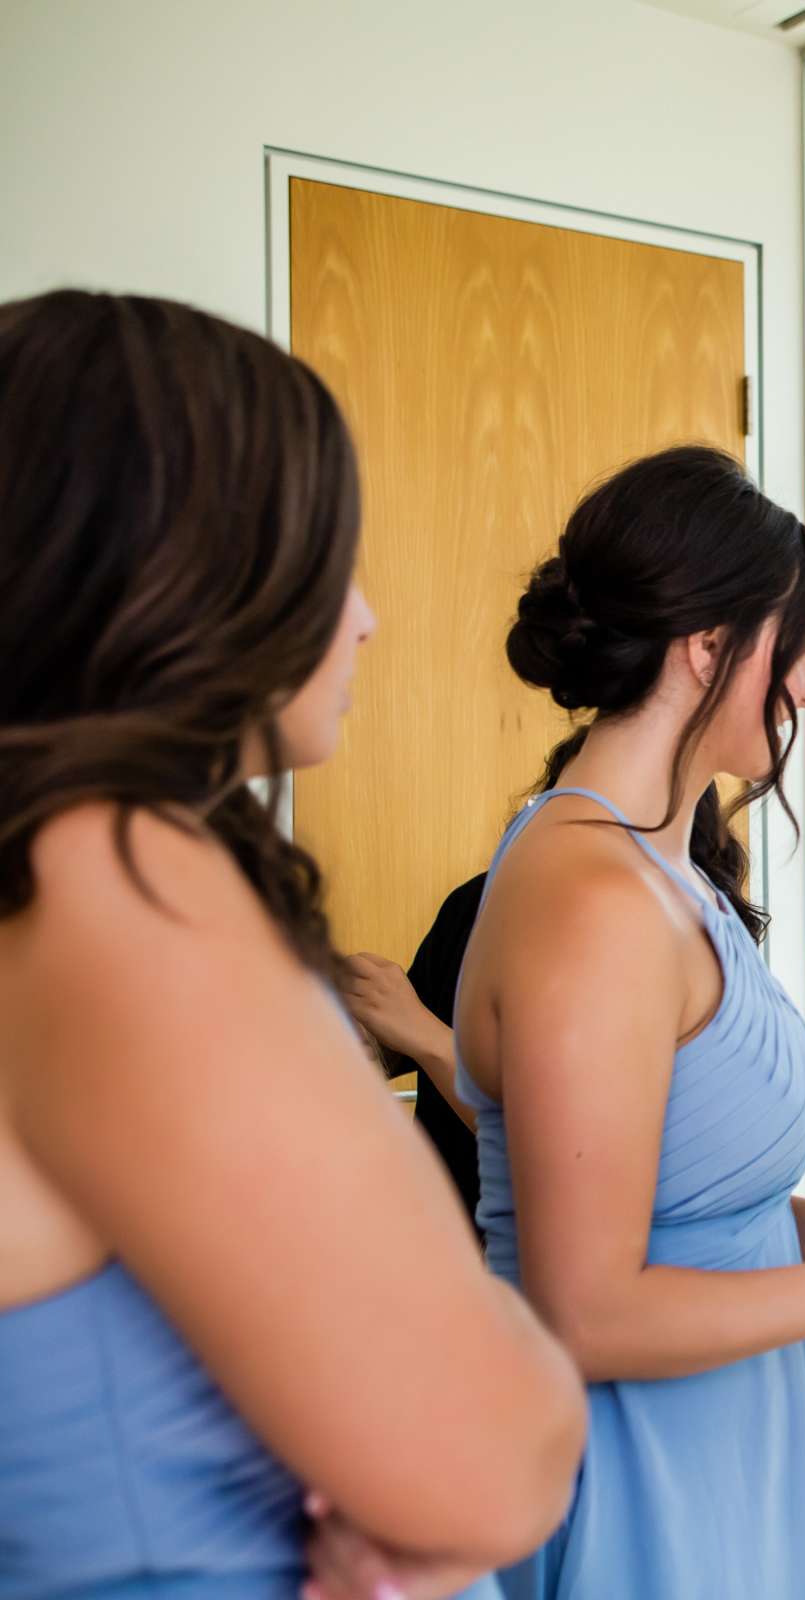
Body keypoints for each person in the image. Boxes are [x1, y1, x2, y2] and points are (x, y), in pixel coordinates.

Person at [0, 289, 585, 1600]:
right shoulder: (117, 877)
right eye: (332, 557)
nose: (365, 615)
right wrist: (519, 1376)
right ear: (180, 568)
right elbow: (498, 1461)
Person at [451, 445, 805, 1599]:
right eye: (797, 653)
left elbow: (676, 1202)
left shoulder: (661, 868)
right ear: (706, 647)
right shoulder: (589, 901)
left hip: (730, 1451)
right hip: (634, 1485)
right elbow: (585, 1308)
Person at [345, 876, 486, 1221]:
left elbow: (554, 1149)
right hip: (441, 1224)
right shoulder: (473, 903)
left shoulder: (619, 928)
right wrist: (363, 1029)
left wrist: (427, 1037)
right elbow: (405, 1038)